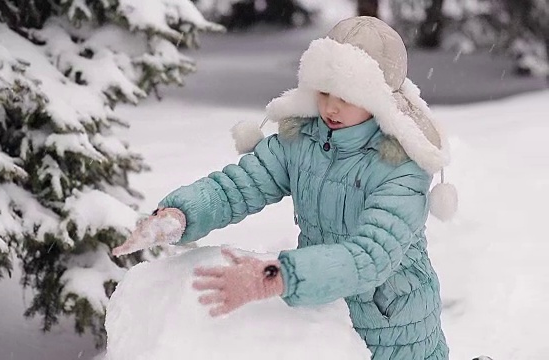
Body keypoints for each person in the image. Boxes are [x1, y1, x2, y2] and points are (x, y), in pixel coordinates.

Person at [113, 16, 458, 360]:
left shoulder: (402, 169)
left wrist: (278, 276)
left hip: (394, 325)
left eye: (347, 96)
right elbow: (238, 186)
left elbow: (372, 256)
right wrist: (180, 214)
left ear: (379, 99)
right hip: (323, 310)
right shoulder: (301, 140)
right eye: (324, 90)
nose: (331, 107)